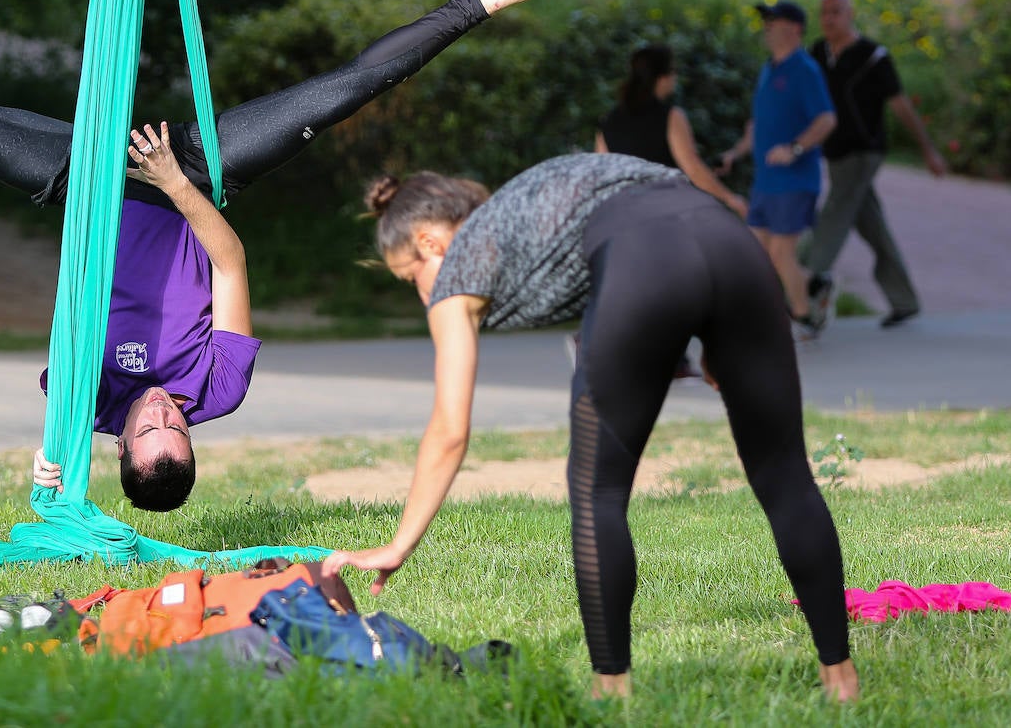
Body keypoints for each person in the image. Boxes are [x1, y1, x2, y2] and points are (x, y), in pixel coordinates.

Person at [0, 0, 577, 512]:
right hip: (192, 177)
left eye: (148, 430)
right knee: (340, 92)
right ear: (193, 442)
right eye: (175, 431)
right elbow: (229, 257)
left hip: (78, 181)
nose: (161, 412)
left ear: (125, 446)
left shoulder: (91, 403)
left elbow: (61, 400)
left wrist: (53, 457)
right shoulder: (221, 387)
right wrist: (173, 180)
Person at [320, 153, 859, 702]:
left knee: (598, 490)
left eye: (411, 277)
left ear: (430, 242)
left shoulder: (460, 262)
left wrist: (398, 544)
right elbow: (677, 220)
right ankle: (842, 681)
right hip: (730, 242)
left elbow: (449, 429)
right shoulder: (529, 205)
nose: (422, 293)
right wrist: (720, 338)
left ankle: (611, 693)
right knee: (784, 472)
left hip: (641, 259)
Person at [803, 0, 946, 329]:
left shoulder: (873, 57)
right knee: (871, 224)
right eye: (824, 12)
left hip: (864, 152)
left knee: (835, 213)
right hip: (834, 152)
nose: (829, 18)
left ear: (850, 14)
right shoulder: (818, 54)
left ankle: (808, 286)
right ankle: (904, 300)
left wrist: (927, 150)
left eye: (836, 11)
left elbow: (901, 106)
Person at [718, 1, 837, 340]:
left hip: (796, 179)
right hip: (766, 182)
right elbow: (758, 125)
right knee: (758, 255)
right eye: (765, 21)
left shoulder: (805, 70)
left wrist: (795, 148)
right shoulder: (769, 69)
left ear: (796, 29)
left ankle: (804, 318)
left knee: (781, 252)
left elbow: (827, 119)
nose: (766, 26)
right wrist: (735, 153)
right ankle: (810, 289)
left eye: (774, 20)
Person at [596, 44, 747, 218]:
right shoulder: (671, 116)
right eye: (673, 70)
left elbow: (603, 172)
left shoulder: (609, 120)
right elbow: (692, 168)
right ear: (662, 77)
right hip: (664, 214)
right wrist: (730, 198)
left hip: (624, 216)